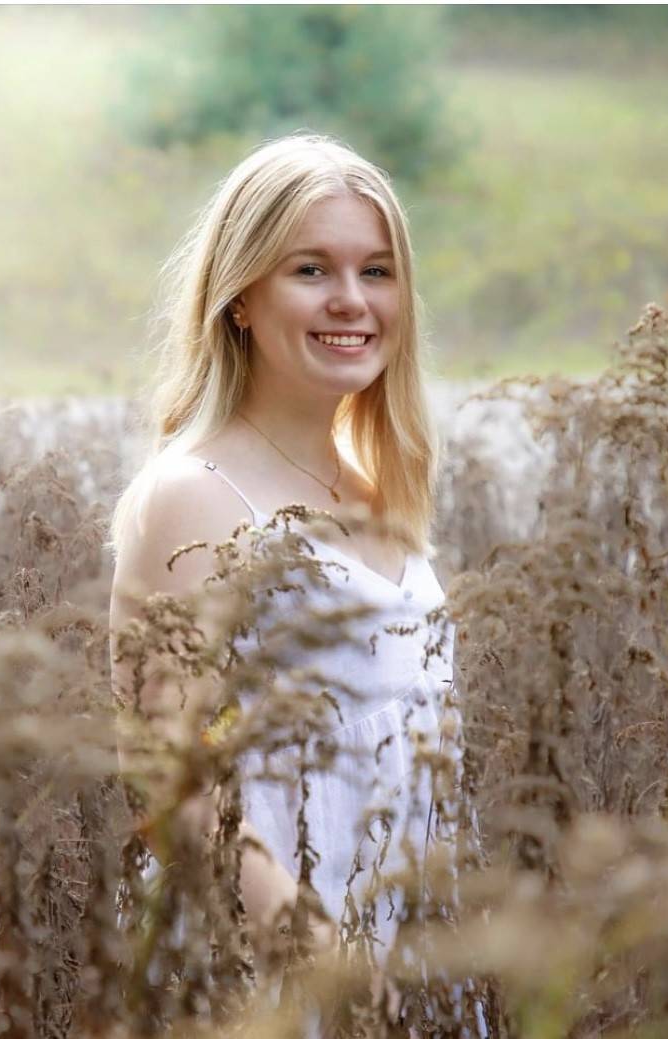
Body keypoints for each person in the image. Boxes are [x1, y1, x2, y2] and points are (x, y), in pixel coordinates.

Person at [108, 132, 477, 1031]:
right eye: (311, 269)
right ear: (240, 297)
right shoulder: (195, 494)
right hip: (265, 968)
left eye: (377, 271)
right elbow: (168, 782)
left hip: (407, 945)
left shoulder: (380, 481)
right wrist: (323, 965)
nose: (352, 301)